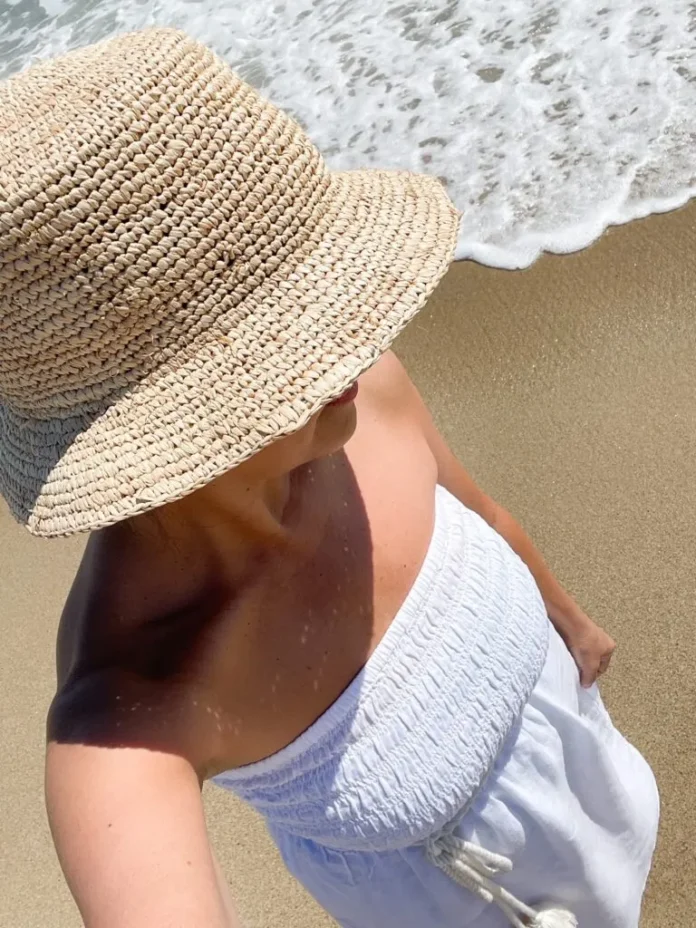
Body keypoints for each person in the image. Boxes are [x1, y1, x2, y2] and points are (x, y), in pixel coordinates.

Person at [0, 27, 658, 928]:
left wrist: (572, 625)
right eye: (295, 330)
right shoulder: (133, 711)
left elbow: (484, 513)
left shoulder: (363, 384)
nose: (353, 329)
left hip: (581, 772)